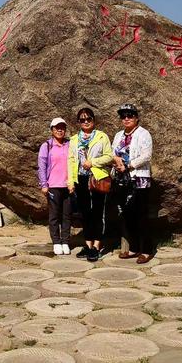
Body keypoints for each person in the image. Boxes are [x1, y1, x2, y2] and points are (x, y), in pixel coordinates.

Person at [68, 108, 113, 262]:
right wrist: (70, 181)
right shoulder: (74, 139)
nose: (86, 122)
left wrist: (92, 162)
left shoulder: (102, 136)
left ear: (94, 120)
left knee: (98, 212)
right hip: (80, 179)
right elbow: (71, 160)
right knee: (85, 213)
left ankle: (97, 246)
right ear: (78, 122)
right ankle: (88, 245)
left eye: (89, 119)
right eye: (82, 119)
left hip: (97, 178)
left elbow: (109, 156)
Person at [112, 103, 153, 264]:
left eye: (130, 115)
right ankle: (135, 248)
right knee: (128, 215)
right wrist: (116, 162)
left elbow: (146, 156)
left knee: (141, 215)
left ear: (136, 117)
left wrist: (128, 165)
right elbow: (112, 152)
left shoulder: (144, 134)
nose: (126, 118)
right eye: (123, 116)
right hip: (121, 180)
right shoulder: (118, 135)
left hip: (138, 179)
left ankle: (148, 250)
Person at [38, 117, 72, 255]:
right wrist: (44, 184)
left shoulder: (69, 145)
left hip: (68, 186)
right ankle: (56, 242)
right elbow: (41, 166)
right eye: (57, 127)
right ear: (52, 130)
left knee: (67, 215)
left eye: (62, 127)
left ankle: (65, 241)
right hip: (53, 185)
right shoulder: (47, 145)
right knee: (54, 216)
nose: (60, 130)